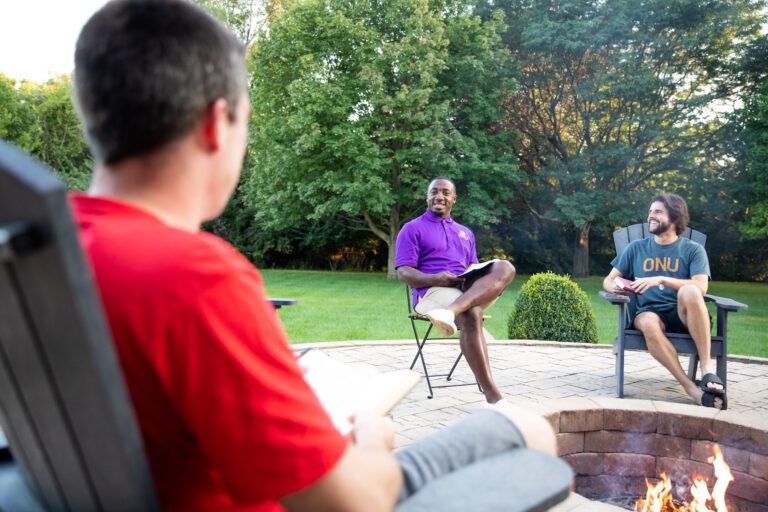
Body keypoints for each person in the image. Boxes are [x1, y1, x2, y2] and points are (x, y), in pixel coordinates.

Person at [70, 1, 570, 511]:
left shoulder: (48, 251)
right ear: (216, 124)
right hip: (324, 495)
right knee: (527, 429)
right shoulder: (195, 278)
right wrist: (374, 434)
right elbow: (351, 500)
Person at [395, 177, 516, 404]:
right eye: (434, 192)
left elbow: (474, 267)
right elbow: (404, 273)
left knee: (506, 267)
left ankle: (450, 313)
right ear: (427, 196)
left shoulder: (465, 233)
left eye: (445, 192)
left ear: (453, 199)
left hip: (463, 292)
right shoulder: (412, 228)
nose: (439, 196)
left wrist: (472, 278)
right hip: (430, 292)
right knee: (471, 314)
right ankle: (494, 397)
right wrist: (437, 279)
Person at [602, 193, 727, 410]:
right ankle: (690, 388)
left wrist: (661, 280)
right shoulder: (636, 248)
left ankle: (707, 369)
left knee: (690, 291)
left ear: (675, 218)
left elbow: (701, 287)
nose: (651, 216)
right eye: (650, 211)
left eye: (658, 212)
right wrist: (617, 287)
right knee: (648, 322)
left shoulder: (693, 249)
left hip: (684, 314)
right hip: (648, 312)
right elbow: (608, 280)